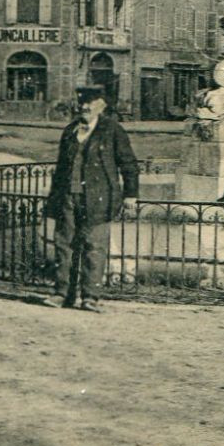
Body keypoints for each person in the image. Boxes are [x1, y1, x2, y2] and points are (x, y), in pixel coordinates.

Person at [41, 86, 139, 312]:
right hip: (68, 196)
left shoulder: (112, 130)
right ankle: (61, 293)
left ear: (102, 105)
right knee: (63, 245)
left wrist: (131, 195)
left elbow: (129, 164)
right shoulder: (70, 130)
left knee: (94, 246)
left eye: (91, 102)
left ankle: (90, 297)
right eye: (82, 101)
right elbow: (61, 168)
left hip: (98, 198)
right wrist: (54, 199)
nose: (84, 106)